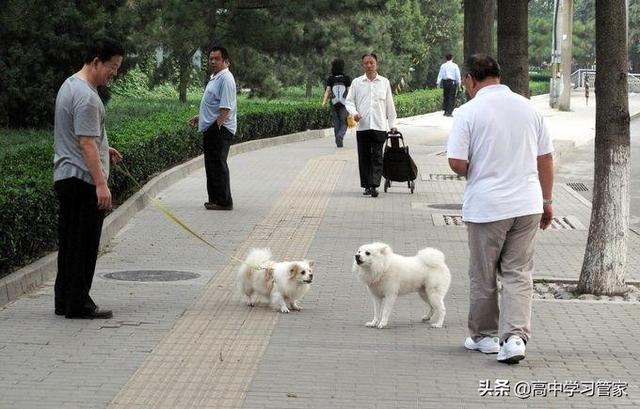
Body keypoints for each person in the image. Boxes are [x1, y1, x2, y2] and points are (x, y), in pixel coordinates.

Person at [447, 54, 554, 364]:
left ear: (469, 79)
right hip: (528, 204)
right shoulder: (529, 108)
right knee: (518, 273)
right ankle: (516, 339)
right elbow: (545, 158)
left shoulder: (467, 112)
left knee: (483, 275)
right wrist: (547, 201)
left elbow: (457, 162)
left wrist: (472, 166)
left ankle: (484, 337)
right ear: (497, 74)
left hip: (487, 207)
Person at [53, 37, 124, 319]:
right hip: (83, 181)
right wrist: (101, 183)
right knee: (83, 245)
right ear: (96, 60)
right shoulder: (86, 97)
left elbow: (83, 137)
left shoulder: (70, 85)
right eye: (113, 66)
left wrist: (105, 148)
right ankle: (79, 303)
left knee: (69, 243)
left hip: (66, 178)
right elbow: (85, 143)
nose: (114, 73)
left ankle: (64, 300)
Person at [189, 46, 237, 211]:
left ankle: (224, 201)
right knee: (211, 164)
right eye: (211, 59)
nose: (213, 61)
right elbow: (213, 104)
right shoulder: (215, 77)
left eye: (217, 59)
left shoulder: (226, 79)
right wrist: (201, 117)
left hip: (220, 129)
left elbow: (225, 108)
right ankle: (215, 199)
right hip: (212, 126)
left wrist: (215, 127)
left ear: (226, 61)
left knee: (218, 163)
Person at [345, 53, 397, 198]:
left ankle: (374, 185)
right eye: (366, 63)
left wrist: (392, 125)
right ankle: (367, 185)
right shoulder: (356, 83)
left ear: (377, 64)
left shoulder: (384, 82)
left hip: (379, 126)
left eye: (371, 63)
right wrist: (354, 113)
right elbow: (349, 102)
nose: (369, 65)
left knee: (377, 156)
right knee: (364, 156)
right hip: (363, 126)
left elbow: (389, 105)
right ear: (362, 65)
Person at [322, 58, 352, 148]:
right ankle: (340, 136)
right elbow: (349, 91)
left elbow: (328, 91)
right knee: (345, 122)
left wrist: (324, 102)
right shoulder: (346, 78)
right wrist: (352, 103)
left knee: (336, 123)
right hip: (344, 104)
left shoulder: (331, 79)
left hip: (334, 103)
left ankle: (337, 139)